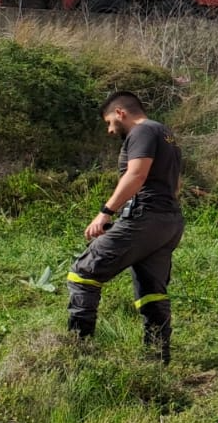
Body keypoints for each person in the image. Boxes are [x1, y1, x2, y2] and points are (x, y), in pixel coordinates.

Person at [67, 91, 184, 363]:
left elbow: (137, 174)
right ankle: (156, 361)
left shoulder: (142, 132)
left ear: (121, 112)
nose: (109, 130)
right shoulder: (166, 134)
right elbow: (175, 184)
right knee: (151, 291)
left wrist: (106, 213)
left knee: (83, 273)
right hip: (169, 221)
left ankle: (76, 354)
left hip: (146, 217)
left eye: (109, 122)